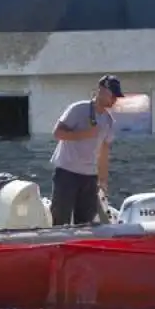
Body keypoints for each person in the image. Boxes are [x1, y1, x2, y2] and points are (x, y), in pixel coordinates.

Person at [49, 74, 121, 226]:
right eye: (112, 95)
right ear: (101, 91)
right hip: (66, 172)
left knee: (86, 223)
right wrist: (83, 134)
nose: (115, 99)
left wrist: (103, 181)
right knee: (60, 219)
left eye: (117, 96)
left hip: (90, 177)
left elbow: (104, 153)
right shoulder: (77, 109)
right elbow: (57, 133)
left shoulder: (109, 121)